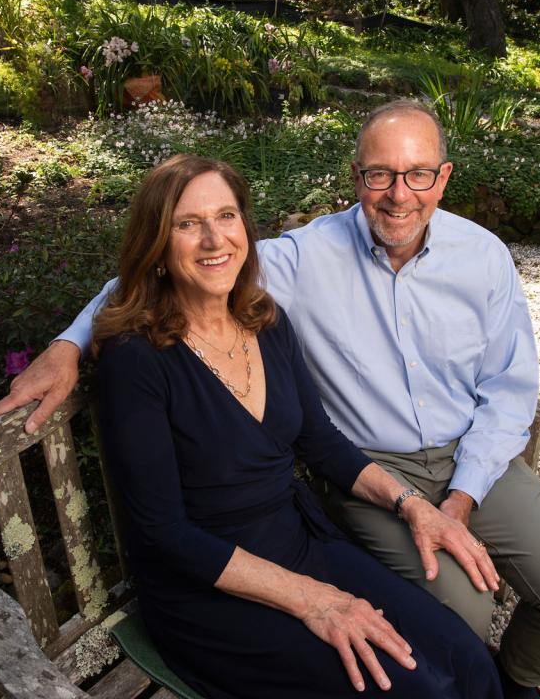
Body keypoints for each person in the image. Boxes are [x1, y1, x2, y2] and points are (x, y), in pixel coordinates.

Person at [0, 101, 540, 698]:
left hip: (421, 481)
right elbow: (164, 530)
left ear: (443, 178)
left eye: (418, 174)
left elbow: (344, 432)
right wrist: (68, 344)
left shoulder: (267, 316)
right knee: (445, 645)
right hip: (225, 572)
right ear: (357, 177)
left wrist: (441, 502)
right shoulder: (268, 280)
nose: (399, 194)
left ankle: (507, 685)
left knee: (487, 648)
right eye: (380, 174)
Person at [88, 153, 502, 698]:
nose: (214, 240)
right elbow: (166, 535)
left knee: (467, 660)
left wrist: (413, 506)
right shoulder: (135, 360)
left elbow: (321, 442)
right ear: (158, 246)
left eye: (226, 216)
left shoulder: (263, 320)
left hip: (300, 544)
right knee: (419, 690)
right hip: (209, 588)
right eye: (188, 224)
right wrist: (314, 599)